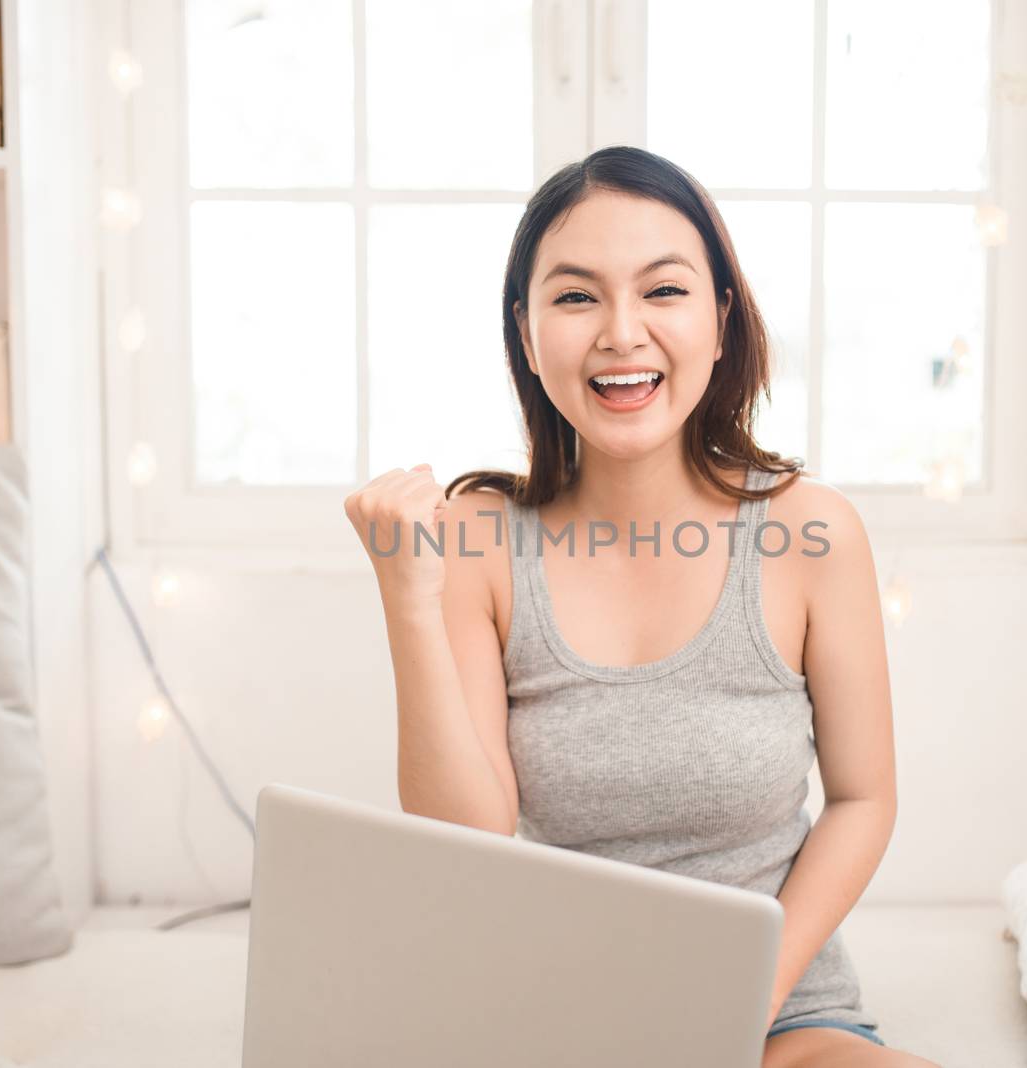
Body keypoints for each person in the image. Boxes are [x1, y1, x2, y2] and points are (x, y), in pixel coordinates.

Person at [345, 146, 936, 1068]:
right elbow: (468, 840)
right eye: (577, 297)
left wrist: (744, 996)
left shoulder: (813, 533)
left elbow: (864, 800)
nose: (622, 332)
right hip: (554, 1015)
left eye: (663, 290)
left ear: (721, 318)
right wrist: (409, 605)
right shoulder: (478, 541)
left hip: (778, 1014)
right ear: (527, 333)